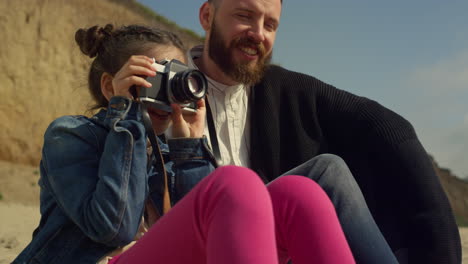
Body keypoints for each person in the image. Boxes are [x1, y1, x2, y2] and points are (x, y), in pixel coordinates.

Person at [12, 24, 356, 264]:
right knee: (237, 183)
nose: (170, 91)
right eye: (157, 79)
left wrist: (190, 150)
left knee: (301, 193)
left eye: (177, 78)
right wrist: (127, 115)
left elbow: (208, 234)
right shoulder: (70, 134)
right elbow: (112, 227)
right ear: (110, 86)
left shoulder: (164, 151)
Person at [185, 0, 462, 263]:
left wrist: (438, 246)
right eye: (244, 16)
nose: (258, 34)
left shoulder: (284, 88)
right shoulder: (158, 85)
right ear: (207, 16)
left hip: (270, 248)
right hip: (193, 245)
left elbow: (387, 126)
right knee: (326, 173)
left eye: (270, 25)